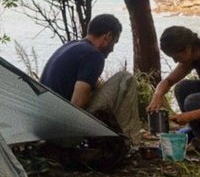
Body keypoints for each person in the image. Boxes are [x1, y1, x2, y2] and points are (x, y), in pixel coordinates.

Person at [40, 14, 147, 148]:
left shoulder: (72, 46)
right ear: (107, 36)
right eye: (115, 42)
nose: (113, 49)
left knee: (108, 87)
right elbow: (78, 101)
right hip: (64, 131)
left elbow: (87, 84)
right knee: (125, 79)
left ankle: (117, 136)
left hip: (43, 127)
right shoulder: (94, 55)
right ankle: (130, 143)